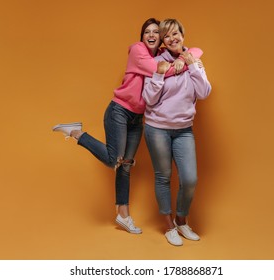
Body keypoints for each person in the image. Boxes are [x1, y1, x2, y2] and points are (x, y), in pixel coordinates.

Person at [52, 18, 203, 234]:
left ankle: (123, 216)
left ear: (160, 37)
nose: (151, 35)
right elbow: (160, 70)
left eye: (155, 33)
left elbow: (194, 49)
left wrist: (189, 57)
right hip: (120, 111)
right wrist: (182, 63)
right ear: (141, 37)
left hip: (137, 118)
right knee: (115, 160)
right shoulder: (138, 51)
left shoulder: (159, 53)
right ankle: (76, 132)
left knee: (126, 166)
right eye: (146, 32)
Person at [142, 18, 211, 246]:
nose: (172, 39)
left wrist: (191, 65)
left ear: (183, 34)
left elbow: (204, 92)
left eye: (176, 34)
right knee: (163, 177)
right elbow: (148, 99)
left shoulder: (193, 60)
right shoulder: (156, 62)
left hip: (183, 130)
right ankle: (169, 226)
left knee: (189, 179)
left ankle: (182, 220)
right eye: (167, 36)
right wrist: (160, 74)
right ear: (163, 40)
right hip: (157, 128)